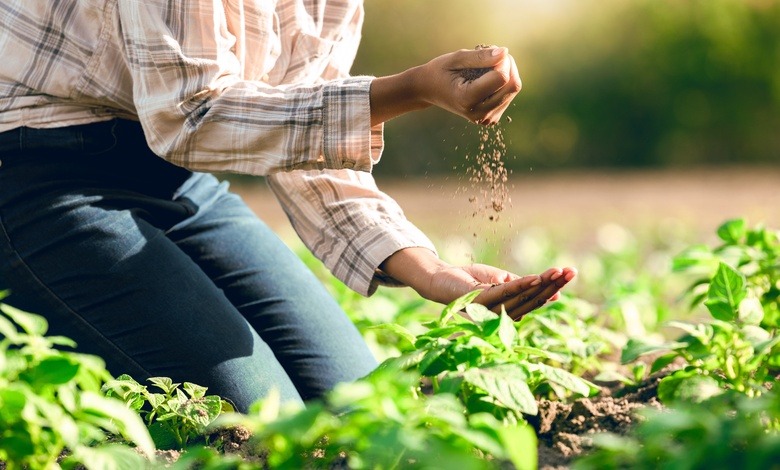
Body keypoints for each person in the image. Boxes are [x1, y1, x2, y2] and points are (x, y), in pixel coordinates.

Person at [0, 1, 576, 412]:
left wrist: (431, 272)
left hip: (176, 180)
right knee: (256, 422)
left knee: (356, 406)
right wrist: (409, 90)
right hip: (36, 168)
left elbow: (305, 136)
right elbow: (190, 115)